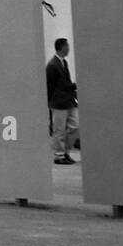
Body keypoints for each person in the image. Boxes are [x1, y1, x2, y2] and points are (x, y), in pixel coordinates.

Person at [47, 37, 78, 165]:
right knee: (59, 130)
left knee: (74, 126)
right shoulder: (52, 65)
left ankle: (65, 152)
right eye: (67, 46)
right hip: (59, 102)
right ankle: (59, 154)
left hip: (67, 100)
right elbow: (50, 85)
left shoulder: (62, 63)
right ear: (61, 47)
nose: (69, 49)